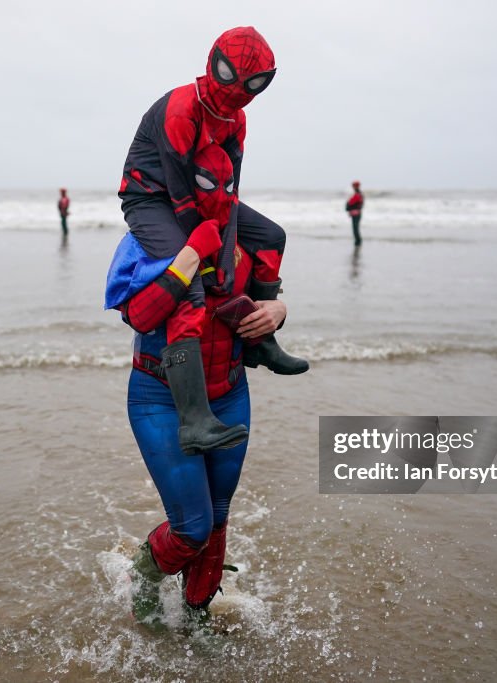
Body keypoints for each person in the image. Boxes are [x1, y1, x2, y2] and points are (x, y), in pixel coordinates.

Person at [108, 142, 287, 628]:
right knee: (192, 526)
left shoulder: (247, 238)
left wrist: (277, 311)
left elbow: (262, 302)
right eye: (206, 185)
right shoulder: (149, 240)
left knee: (219, 515)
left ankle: (196, 614)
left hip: (229, 391)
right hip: (158, 396)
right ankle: (144, 575)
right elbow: (140, 316)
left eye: (228, 187)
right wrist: (190, 256)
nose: (219, 196)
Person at [112, 25, 308, 457]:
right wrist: (212, 261)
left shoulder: (237, 119)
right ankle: (194, 419)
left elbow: (231, 190)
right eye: (230, 75)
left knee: (272, 236)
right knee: (191, 283)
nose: (238, 90)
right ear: (212, 63)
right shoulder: (181, 109)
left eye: (252, 83)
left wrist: (229, 238)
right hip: (150, 197)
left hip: (203, 192)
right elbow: (182, 200)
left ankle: (260, 342)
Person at [346, 180, 364, 246]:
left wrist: (348, 205)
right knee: (356, 228)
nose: (352, 187)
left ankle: (358, 241)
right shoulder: (359, 194)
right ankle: (358, 241)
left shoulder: (357, 195)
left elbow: (350, 203)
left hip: (356, 214)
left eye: (353, 186)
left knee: (355, 228)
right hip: (356, 213)